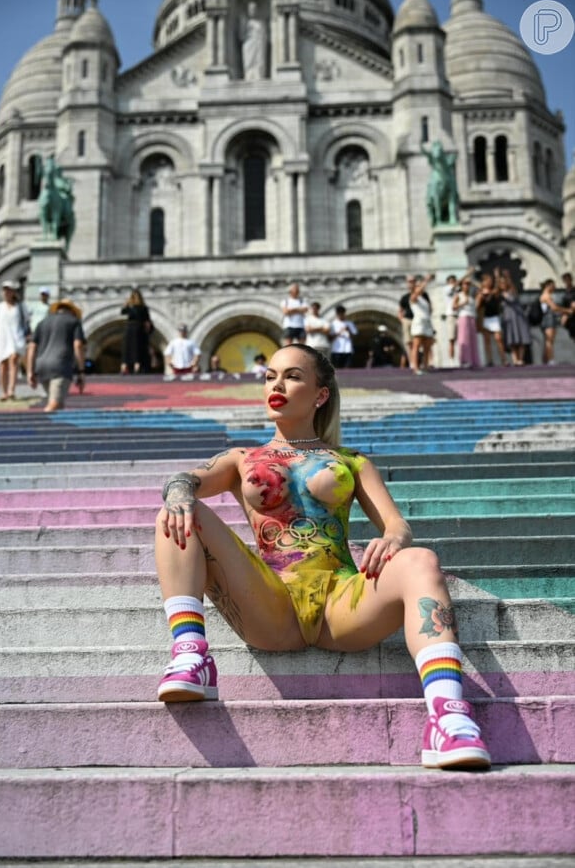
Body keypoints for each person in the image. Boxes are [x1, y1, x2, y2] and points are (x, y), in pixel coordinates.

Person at [155, 344, 491, 770]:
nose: (277, 385)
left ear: (320, 394)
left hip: (342, 605)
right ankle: (191, 653)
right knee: (179, 509)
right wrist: (180, 490)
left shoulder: (350, 461)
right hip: (271, 602)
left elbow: (398, 526)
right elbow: (186, 479)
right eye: (270, 376)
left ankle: (447, 717)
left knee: (421, 559)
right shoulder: (242, 458)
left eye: (293, 376)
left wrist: (392, 541)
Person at [26, 299, 86, 412]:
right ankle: (39, 423)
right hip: (61, 366)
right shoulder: (74, 322)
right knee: (54, 404)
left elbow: (31, 347)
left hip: (42, 367)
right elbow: (78, 345)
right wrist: (81, 371)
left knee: (59, 404)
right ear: (72, 311)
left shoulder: (43, 322)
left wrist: (30, 372)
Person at [0, 280, 30, 401]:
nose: (6, 292)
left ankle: (11, 390)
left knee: (14, 360)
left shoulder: (20, 307)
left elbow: (26, 322)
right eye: (5, 290)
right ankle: (4, 391)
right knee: (3, 365)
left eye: (9, 290)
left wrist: (28, 335)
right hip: (2, 338)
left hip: (16, 337)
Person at [498, 270, 531, 366]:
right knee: (512, 339)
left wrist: (508, 277)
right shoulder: (500, 295)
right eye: (501, 283)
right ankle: (515, 359)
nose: (502, 285)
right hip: (508, 319)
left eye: (504, 283)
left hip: (518, 318)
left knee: (521, 338)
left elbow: (513, 290)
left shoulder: (512, 291)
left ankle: (521, 359)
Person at [475, 273, 507, 366]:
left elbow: (497, 290)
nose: (489, 282)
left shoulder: (493, 292)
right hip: (485, 318)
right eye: (487, 280)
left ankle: (503, 359)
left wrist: (497, 276)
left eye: (490, 280)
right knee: (487, 340)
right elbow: (477, 306)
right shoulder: (480, 293)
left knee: (498, 338)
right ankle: (489, 360)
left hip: (494, 317)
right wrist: (480, 296)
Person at [121, 289, 152, 374]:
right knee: (137, 348)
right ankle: (136, 366)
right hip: (139, 328)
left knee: (128, 348)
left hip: (130, 328)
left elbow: (122, 312)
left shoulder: (131, 307)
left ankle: (124, 366)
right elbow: (147, 321)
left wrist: (126, 304)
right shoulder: (144, 308)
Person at [453, 277, 480, 369]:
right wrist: (463, 303)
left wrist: (473, 282)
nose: (467, 286)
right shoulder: (459, 295)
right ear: (462, 285)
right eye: (465, 284)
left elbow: (481, 288)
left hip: (472, 317)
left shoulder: (471, 296)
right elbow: (454, 307)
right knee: (464, 339)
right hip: (463, 317)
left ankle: (473, 360)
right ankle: (465, 360)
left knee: (473, 339)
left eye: (468, 284)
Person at [539, 279, 568, 365]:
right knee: (549, 341)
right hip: (548, 319)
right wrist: (567, 311)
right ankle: (550, 360)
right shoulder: (546, 296)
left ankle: (546, 359)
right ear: (548, 285)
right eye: (553, 285)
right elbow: (554, 308)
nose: (555, 287)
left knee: (549, 341)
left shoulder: (548, 295)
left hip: (550, 319)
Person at [409, 274, 434, 374]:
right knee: (416, 345)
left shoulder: (424, 299)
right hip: (419, 323)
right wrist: (426, 280)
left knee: (427, 346)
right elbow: (417, 293)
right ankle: (415, 367)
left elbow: (430, 311)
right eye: (418, 287)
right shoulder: (413, 297)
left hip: (427, 323)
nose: (421, 288)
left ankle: (425, 365)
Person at [241, 1, 267, 81]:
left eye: (254, 9)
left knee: (259, 61)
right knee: (248, 62)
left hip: (259, 44)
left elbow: (265, 36)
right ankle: (248, 75)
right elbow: (241, 36)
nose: (252, 11)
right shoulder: (246, 22)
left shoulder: (261, 23)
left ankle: (259, 75)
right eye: (251, 9)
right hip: (249, 44)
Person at [560, 272, 575, 342]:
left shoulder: (573, 291)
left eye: (568, 280)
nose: (567, 282)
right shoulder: (565, 292)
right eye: (565, 280)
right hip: (569, 319)